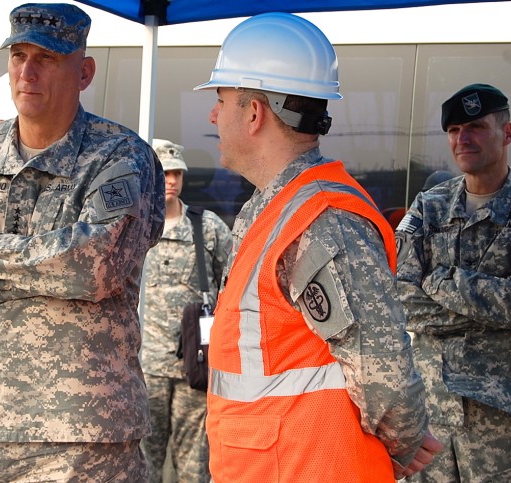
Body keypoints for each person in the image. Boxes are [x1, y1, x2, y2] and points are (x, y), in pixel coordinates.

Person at [0, 3, 164, 481]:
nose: (26, 72)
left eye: (46, 58)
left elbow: (93, 267)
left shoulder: (122, 157)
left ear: (83, 72)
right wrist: (45, 263)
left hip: (80, 441)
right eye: (18, 56)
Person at [193, 12, 441, 482]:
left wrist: (402, 444)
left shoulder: (322, 220)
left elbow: (384, 378)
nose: (212, 114)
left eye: (220, 99)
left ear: (253, 112)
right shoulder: (274, 208)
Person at [396, 83, 511, 482]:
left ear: (507, 134)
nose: (463, 138)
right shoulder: (429, 205)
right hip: (433, 410)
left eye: (476, 127)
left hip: (505, 417)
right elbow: (401, 295)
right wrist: (485, 310)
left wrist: (441, 280)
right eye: (454, 130)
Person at [141, 139, 232, 483]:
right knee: (141, 465)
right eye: (164, 172)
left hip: (193, 368)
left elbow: (235, 281)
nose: (172, 180)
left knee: (194, 466)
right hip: (145, 369)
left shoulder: (205, 227)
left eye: (177, 173)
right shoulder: (134, 225)